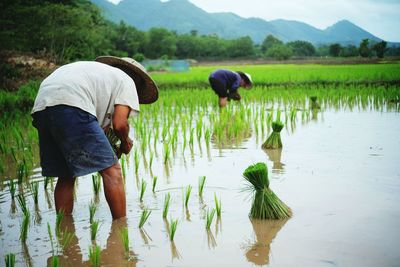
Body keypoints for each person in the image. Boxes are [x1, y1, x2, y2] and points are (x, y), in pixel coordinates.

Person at [31, 56, 158, 220]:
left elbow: (93, 129)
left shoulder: (100, 76)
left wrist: (110, 149)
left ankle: (63, 228)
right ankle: (121, 228)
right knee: (113, 171)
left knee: (66, 173)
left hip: (42, 104)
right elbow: (120, 124)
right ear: (137, 84)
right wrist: (125, 142)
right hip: (73, 104)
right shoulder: (127, 82)